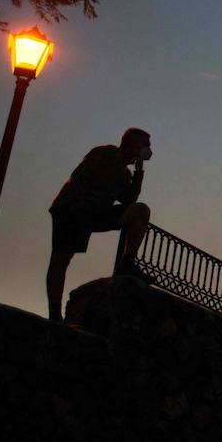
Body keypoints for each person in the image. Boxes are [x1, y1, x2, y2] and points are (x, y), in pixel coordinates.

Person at [46, 128, 153, 322]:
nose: (148, 149)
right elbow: (78, 178)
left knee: (140, 211)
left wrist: (139, 172)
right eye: (145, 144)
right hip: (73, 209)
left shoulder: (126, 173)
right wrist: (81, 206)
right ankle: (54, 313)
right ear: (132, 143)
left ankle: (127, 262)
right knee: (61, 260)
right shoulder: (106, 153)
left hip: (97, 213)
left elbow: (128, 200)